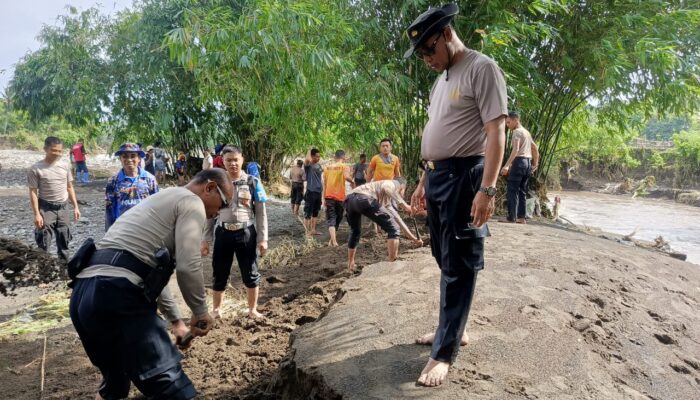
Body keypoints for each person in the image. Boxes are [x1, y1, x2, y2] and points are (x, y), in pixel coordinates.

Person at [405, 4, 507, 387]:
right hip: (437, 177)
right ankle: (454, 326)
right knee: (442, 255)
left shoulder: (482, 68)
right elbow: (436, 132)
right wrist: (422, 181)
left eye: (429, 50)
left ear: (447, 35)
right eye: (421, 55)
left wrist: (488, 189)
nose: (426, 59)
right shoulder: (442, 78)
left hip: (466, 177)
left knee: (460, 262)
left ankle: (444, 352)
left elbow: (496, 133)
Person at [70, 168, 232, 399]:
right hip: (117, 297)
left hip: (83, 298)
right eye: (223, 204)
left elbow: (142, 272)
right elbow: (188, 265)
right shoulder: (191, 202)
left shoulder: (158, 200)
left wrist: (176, 321)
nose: (217, 214)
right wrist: (200, 311)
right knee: (174, 390)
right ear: (209, 188)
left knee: (114, 386)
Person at [201, 146, 269, 319]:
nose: (232, 163)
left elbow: (261, 213)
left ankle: (252, 309)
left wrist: (263, 239)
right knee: (220, 271)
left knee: (251, 271)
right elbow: (209, 215)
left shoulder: (253, 182)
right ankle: (216, 310)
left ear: (242, 160)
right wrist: (205, 239)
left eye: (235, 159)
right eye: (228, 160)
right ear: (222, 162)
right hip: (223, 233)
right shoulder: (215, 184)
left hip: (246, 232)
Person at [346, 179, 422, 272]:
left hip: (349, 200)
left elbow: (397, 219)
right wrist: (406, 206)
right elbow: (386, 187)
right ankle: (392, 265)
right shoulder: (393, 183)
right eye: (403, 190)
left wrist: (415, 239)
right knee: (393, 230)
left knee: (355, 231)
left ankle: (350, 264)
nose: (403, 193)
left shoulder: (385, 199)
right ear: (402, 187)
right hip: (364, 198)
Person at [27, 136, 81, 261]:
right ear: (45, 149)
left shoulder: (65, 166)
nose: (57, 153)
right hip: (46, 209)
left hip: (63, 208)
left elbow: (69, 187)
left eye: (59, 151)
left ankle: (63, 270)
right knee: (44, 242)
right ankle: (44, 271)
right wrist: (37, 214)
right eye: (54, 150)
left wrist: (76, 207)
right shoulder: (35, 169)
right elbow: (33, 192)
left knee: (64, 240)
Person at [105, 143, 159, 231]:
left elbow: (157, 206)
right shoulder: (113, 181)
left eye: (133, 156)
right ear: (120, 159)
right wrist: (109, 233)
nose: (129, 159)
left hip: (145, 228)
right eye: (125, 156)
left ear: (139, 159)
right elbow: (109, 209)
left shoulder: (149, 179)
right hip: (122, 229)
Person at [500, 111, 540, 224]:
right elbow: (535, 148)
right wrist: (535, 163)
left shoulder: (517, 132)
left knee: (512, 190)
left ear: (515, 120)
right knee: (522, 191)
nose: (507, 125)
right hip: (527, 163)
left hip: (519, 162)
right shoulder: (526, 132)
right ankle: (521, 217)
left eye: (508, 122)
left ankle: (511, 217)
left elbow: (516, 150)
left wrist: (506, 165)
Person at [322, 150, 353, 247]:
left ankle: (332, 240)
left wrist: (323, 199)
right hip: (339, 197)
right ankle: (334, 242)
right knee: (337, 218)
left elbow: (325, 184)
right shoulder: (345, 166)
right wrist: (353, 182)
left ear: (335, 157)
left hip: (329, 196)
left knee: (333, 218)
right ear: (344, 158)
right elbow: (346, 177)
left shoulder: (327, 168)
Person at [303, 148, 323, 236]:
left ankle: (313, 230)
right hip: (310, 191)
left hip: (318, 192)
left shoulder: (319, 166)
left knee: (315, 212)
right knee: (308, 213)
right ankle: (307, 232)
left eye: (319, 156)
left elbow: (321, 178)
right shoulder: (308, 165)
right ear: (312, 156)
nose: (318, 158)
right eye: (316, 156)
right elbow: (307, 159)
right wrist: (309, 149)